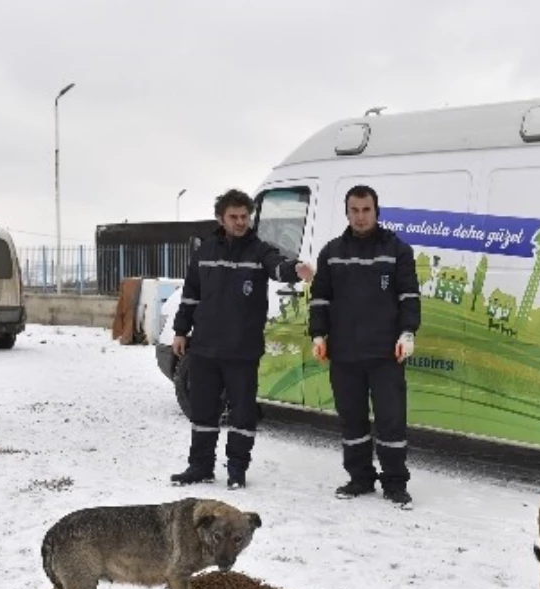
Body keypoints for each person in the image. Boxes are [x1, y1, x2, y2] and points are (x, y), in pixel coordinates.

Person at [170, 189, 314, 489]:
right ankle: (200, 467)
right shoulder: (205, 252)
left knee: (243, 414)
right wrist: (181, 331)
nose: (240, 222)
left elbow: (277, 266)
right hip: (205, 348)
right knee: (204, 412)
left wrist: (296, 269)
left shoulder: (259, 250)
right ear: (220, 218)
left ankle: (237, 470)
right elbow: (190, 296)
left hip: (242, 350)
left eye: (244, 217)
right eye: (233, 217)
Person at [308, 185, 421, 507]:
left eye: (366, 210)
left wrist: (407, 332)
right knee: (352, 421)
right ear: (347, 213)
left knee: (390, 421)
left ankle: (395, 483)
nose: (360, 216)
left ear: (376, 211)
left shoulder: (397, 250)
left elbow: (409, 296)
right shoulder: (332, 252)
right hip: (344, 354)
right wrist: (318, 334)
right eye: (354, 210)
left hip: (386, 354)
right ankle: (360, 478)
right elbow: (320, 299)